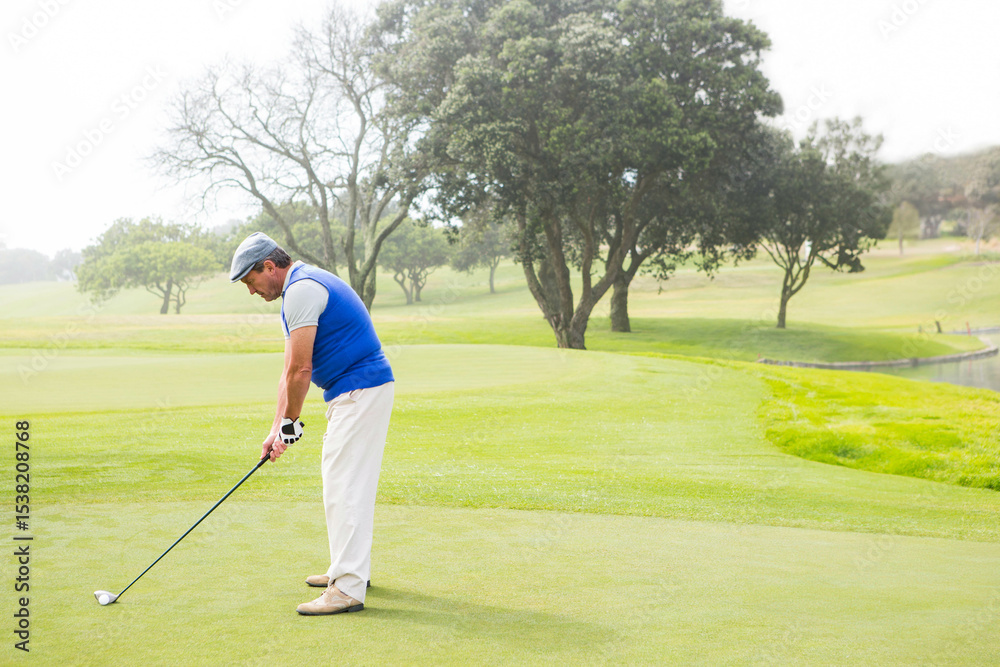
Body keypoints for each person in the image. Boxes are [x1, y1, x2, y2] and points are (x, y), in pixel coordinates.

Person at [230, 232, 395, 616]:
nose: (252, 293)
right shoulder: (297, 290)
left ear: (269, 267)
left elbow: (304, 369)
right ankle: (348, 570)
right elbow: (289, 369)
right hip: (355, 391)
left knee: (343, 485)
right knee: (345, 483)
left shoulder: (302, 290)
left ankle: (348, 587)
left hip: (360, 389)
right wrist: (277, 427)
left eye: (251, 283)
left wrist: (291, 424)